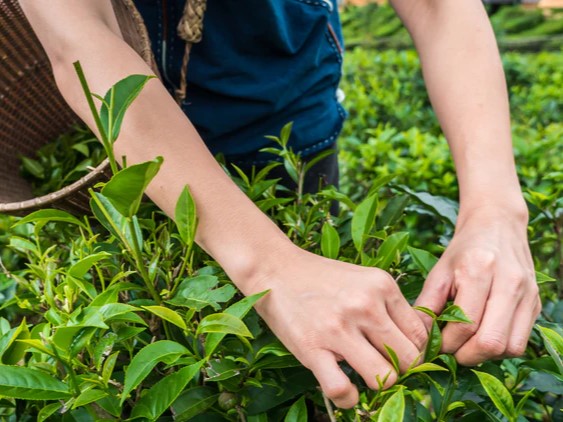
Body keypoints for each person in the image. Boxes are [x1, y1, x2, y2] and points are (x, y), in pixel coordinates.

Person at [20, 0, 541, 409]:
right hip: (111, 148)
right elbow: (78, 34)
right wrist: (269, 265)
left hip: (287, 125)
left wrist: (495, 208)